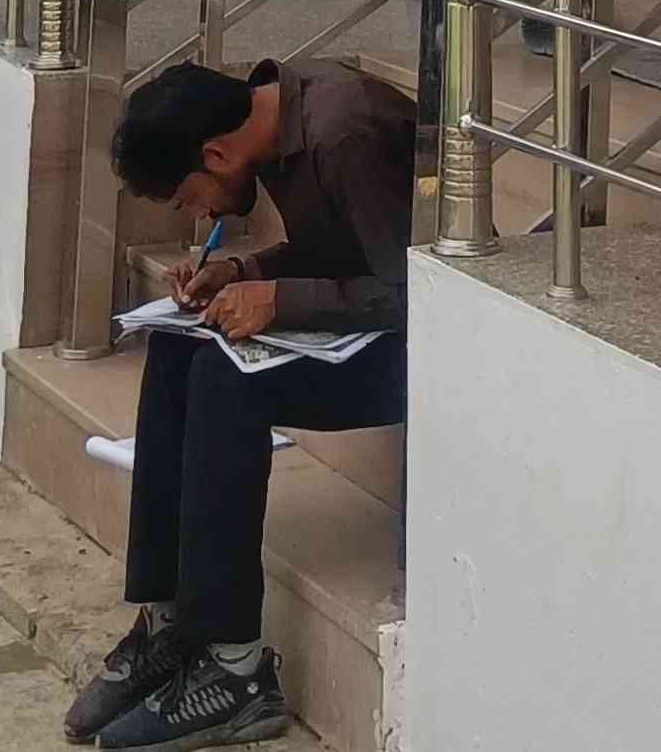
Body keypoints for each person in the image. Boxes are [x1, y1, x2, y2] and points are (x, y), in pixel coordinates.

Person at [65, 53, 414, 748]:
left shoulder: (342, 132)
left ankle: (235, 669)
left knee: (228, 382)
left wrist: (279, 300)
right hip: (364, 321)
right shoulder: (276, 117)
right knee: (178, 347)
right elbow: (336, 250)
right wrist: (240, 270)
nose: (200, 213)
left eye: (190, 198)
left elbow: (411, 288)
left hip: (417, 349)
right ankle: (170, 622)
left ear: (216, 154)